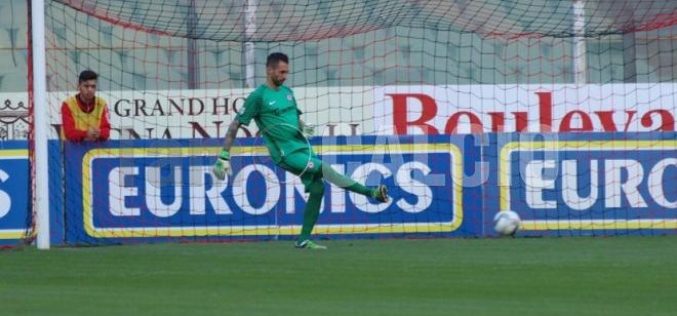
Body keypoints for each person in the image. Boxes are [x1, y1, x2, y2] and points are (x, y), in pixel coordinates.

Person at [213, 52, 388, 250]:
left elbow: (295, 117)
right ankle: (371, 193)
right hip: (285, 153)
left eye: (286, 72)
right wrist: (224, 155)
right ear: (269, 70)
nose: (285, 75)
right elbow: (235, 125)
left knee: (318, 189)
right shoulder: (258, 96)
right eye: (281, 72)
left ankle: (303, 239)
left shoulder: (288, 92)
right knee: (326, 169)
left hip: (302, 147)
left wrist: (303, 125)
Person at [61, 70, 111, 142]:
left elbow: (106, 131)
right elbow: (69, 133)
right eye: (86, 86)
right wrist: (86, 134)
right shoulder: (67, 104)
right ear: (79, 86)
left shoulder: (102, 104)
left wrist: (99, 133)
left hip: (95, 150)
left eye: (93, 86)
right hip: (72, 149)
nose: (90, 89)